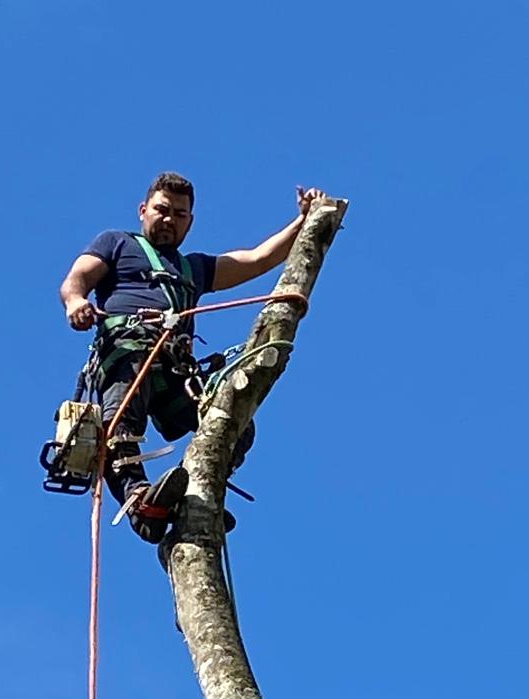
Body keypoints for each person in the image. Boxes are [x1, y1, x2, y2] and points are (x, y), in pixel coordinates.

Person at [59, 173, 328, 542]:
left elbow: (258, 259)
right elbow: (76, 278)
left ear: (191, 221)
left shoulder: (193, 269)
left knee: (234, 418)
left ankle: (201, 488)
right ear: (143, 210)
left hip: (176, 367)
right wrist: (76, 302)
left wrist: (305, 220)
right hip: (128, 351)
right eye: (162, 210)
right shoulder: (116, 243)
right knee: (119, 429)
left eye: (179, 214)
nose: (169, 219)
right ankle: (141, 505)